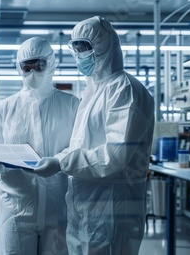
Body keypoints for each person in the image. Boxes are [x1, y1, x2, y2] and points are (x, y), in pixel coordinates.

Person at [33, 16, 155, 255]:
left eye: (84, 48)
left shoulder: (124, 89)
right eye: (75, 49)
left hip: (112, 206)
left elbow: (114, 156)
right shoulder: (92, 92)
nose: (79, 55)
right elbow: (80, 144)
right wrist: (58, 157)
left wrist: (61, 162)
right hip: (83, 202)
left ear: (104, 46)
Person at [0, 36, 80, 255]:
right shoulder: (6, 108)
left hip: (58, 209)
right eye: (27, 67)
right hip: (16, 208)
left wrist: (58, 161)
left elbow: (80, 148)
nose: (33, 72)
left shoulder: (72, 105)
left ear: (51, 63)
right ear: (19, 68)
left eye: (39, 66)